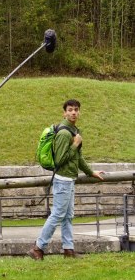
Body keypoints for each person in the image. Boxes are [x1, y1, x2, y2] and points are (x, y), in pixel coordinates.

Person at [28, 99, 104, 260]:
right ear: (64, 113)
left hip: (69, 179)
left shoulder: (74, 130)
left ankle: (68, 249)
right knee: (57, 215)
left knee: (68, 216)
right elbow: (60, 160)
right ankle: (38, 248)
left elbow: (78, 158)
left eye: (76, 110)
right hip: (63, 180)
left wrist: (91, 172)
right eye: (70, 110)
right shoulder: (64, 134)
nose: (73, 112)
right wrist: (75, 144)